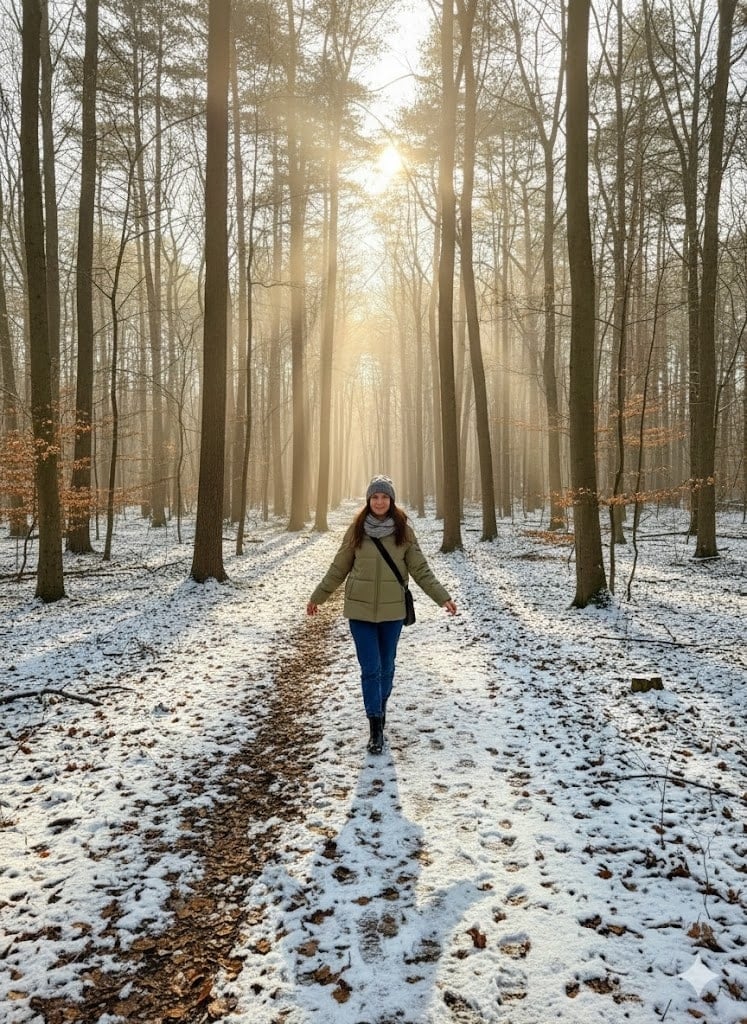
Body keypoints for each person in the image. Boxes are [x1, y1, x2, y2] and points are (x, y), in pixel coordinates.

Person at [306, 475, 457, 755]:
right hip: (359, 611)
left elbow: (421, 570)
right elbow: (338, 568)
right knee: (370, 668)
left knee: (386, 667)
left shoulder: (404, 532)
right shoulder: (355, 531)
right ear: (368, 500)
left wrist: (442, 597)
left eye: (384, 497)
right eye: (375, 497)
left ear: (391, 500)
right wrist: (318, 596)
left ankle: (380, 708)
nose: (379, 502)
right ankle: (375, 727)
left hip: (392, 612)